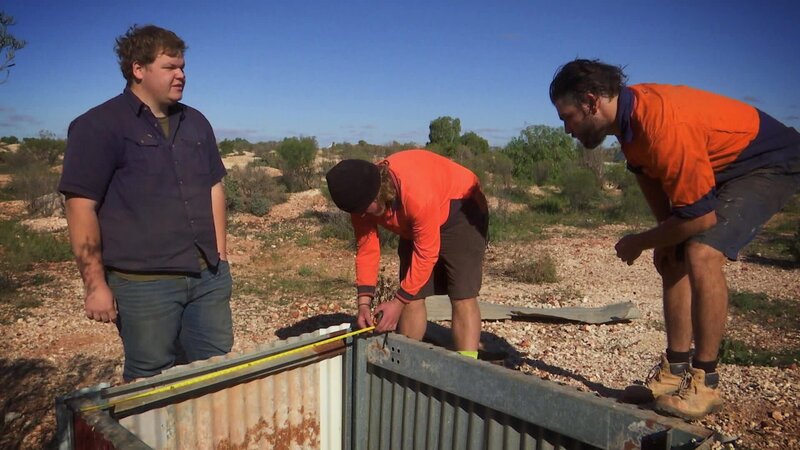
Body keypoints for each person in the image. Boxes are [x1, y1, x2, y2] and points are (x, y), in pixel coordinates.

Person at [549, 59, 800, 420]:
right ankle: (675, 372)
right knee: (672, 254)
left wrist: (640, 241)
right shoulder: (628, 127)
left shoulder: (662, 123)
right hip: (722, 166)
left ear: (591, 102)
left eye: (567, 116)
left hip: (767, 162)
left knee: (702, 251)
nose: (567, 128)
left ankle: (706, 381)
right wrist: (663, 237)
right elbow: (657, 190)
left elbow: (700, 218)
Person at [59, 25, 233, 381]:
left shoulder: (196, 122)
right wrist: (95, 286)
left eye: (183, 66)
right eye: (170, 67)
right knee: (150, 380)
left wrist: (221, 250)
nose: (181, 74)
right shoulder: (98, 125)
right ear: (138, 69)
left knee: (215, 370)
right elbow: (81, 206)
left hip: (207, 276)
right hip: (143, 284)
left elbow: (214, 185)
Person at [325, 149, 489, 358]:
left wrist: (397, 303)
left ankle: (467, 368)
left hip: (461, 207)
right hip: (418, 219)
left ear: (379, 192)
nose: (363, 216)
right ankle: (406, 362)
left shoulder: (415, 194)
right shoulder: (360, 202)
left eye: (366, 209)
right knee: (411, 294)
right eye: (357, 212)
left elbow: (427, 253)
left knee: (462, 293)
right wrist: (364, 303)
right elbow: (367, 250)